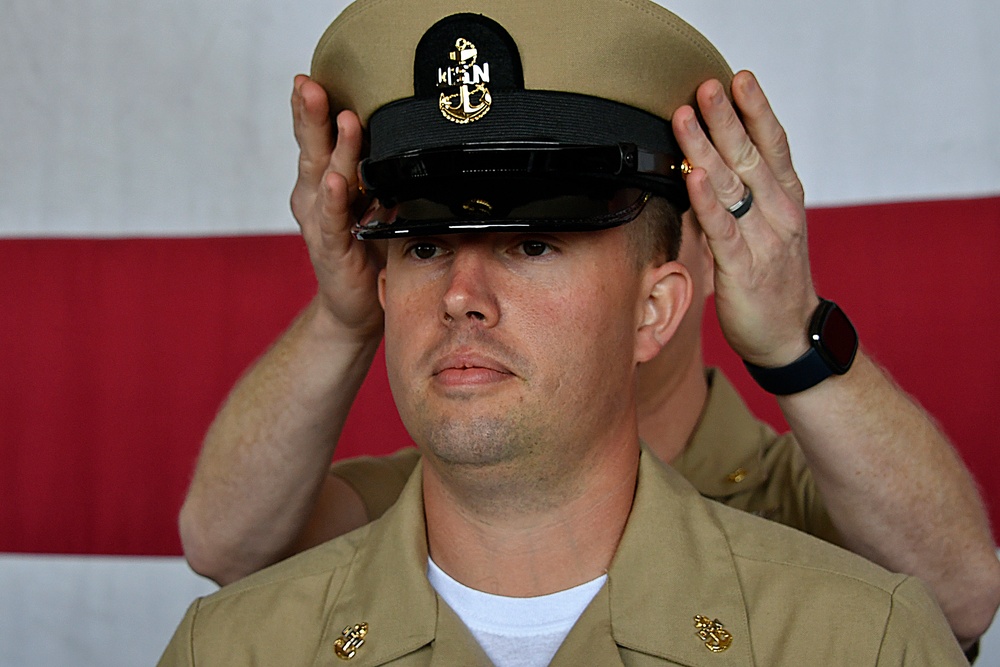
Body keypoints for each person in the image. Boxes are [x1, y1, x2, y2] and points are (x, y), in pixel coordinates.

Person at [177, 0, 1000, 657]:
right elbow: (227, 543)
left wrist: (793, 334)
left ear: (680, 276)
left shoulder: (832, 574)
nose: (464, 294)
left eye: (536, 242)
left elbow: (956, 596)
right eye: (425, 243)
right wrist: (349, 305)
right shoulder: (399, 508)